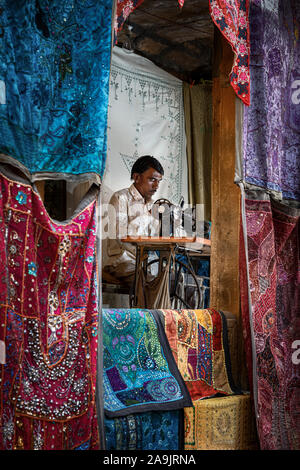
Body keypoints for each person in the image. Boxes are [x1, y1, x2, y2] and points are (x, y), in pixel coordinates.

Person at [103, 155, 164, 286]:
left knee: (177, 279)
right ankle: (150, 307)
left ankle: (163, 307)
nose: (156, 185)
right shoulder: (120, 198)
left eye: (159, 181)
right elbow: (121, 236)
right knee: (154, 282)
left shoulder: (154, 205)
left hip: (146, 263)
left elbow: (157, 237)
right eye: (152, 179)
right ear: (136, 177)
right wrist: (146, 216)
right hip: (122, 261)